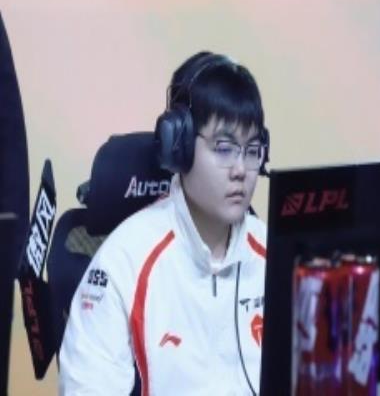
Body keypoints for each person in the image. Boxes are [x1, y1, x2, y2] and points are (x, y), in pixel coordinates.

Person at [59, 52, 269, 395]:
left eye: (252, 150)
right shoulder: (124, 260)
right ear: (179, 146)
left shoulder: (275, 258)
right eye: (224, 147)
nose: (241, 170)